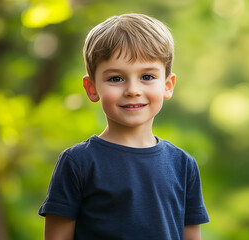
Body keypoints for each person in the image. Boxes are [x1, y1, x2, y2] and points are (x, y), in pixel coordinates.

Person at [38, 13, 209, 240]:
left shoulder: (183, 165)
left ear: (168, 86)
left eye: (147, 76)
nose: (133, 90)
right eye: (116, 79)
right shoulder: (77, 163)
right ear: (92, 88)